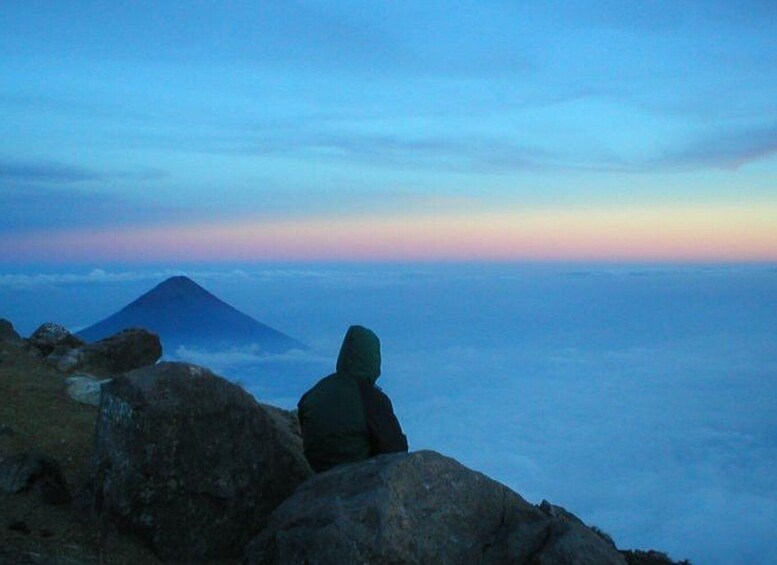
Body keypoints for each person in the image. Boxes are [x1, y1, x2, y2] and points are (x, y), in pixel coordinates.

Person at [297, 325, 408, 472]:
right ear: (373, 359)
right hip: (358, 480)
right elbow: (395, 450)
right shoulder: (371, 398)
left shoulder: (315, 392)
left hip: (316, 474)